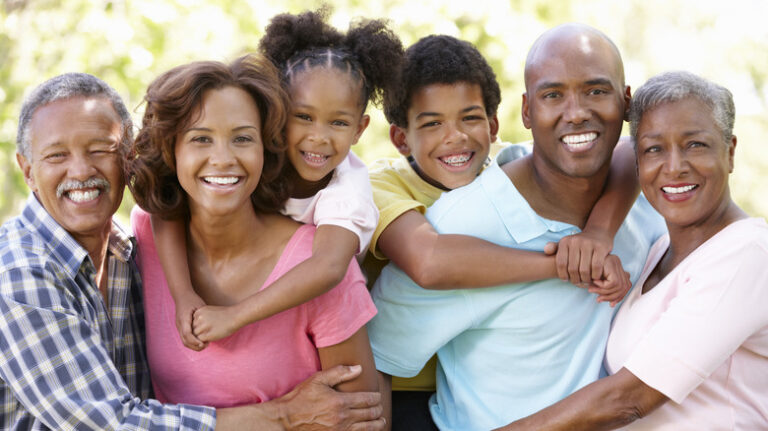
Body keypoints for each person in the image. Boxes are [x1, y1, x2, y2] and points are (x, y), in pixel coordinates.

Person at [0, 72, 384, 431]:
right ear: (28, 170)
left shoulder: (128, 250)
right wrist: (282, 415)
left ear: (128, 157)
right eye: (56, 156)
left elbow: (364, 413)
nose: (81, 171)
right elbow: (113, 423)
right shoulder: (19, 275)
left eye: (101, 149)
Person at [367, 24, 667, 430]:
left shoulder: (646, 193)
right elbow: (386, 331)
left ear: (627, 102)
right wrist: (564, 264)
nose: (576, 112)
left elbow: (628, 150)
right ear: (527, 111)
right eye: (553, 95)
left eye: (596, 90)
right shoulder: (452, 222)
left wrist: (598, 235)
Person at [500, 71, 768, 430]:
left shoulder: (747, 252)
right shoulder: (658, 250)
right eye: (654, 149)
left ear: (730, 152)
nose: (674, 167)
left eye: (695, 145)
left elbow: (627, 399)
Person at [128, 52, 384, 425]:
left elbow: (366, 421)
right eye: (201, 139)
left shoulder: (321, 264)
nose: (223, 159)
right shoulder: (148, 236)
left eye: (242, 139)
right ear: (172, 150)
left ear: (267, 146)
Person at [150, 9, 402, 350]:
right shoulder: (255, 155)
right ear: (278, 112)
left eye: (338, 123)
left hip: (333, 320)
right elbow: (169, 207)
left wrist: (234, 316)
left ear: (360, 129)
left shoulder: (347, 192)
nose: (318, 137)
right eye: (303, 117)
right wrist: (183, 295)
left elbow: (327, 268)